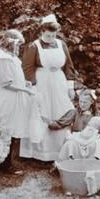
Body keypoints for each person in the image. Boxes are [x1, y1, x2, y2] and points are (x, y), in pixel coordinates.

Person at [19, 14, 78, 161]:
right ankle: (39, 153)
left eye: (53, 34)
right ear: (42, 31)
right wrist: (32, 87)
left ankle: (60, 151)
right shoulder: (34, 46)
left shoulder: (61, 44)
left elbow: (69, 66)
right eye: (48, 35)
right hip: (41, 83)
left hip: (59, 82)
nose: (51, 37)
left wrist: (70, 86)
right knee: (42, 112)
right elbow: (27, 68)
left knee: (61, 109)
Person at [0, 29, 35, 170]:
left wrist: (24, 83)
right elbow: (5, 83)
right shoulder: (2, 58)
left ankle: (8, 162)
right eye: (18, 44)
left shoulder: (11, 57)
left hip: (13, 98)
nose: (19, 47)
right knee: (5, 129)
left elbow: (14, 77)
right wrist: (24, 90)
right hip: (5, 99)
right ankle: (3, 163)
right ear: (10, 42)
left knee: (13, 127)